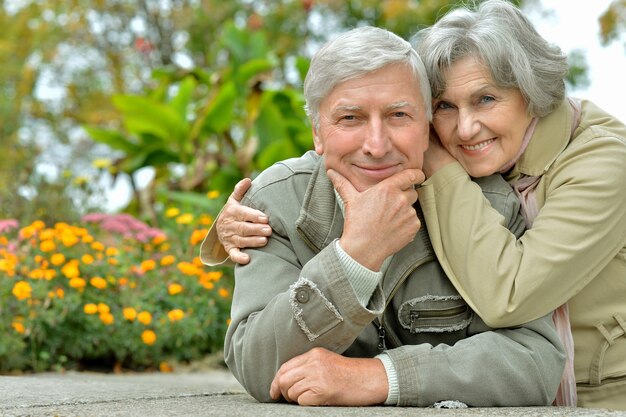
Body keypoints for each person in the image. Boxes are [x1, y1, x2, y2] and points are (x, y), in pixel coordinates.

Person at [203, 0, 626, 410]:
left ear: (533, 96)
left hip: (606, 397)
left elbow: (517, 313)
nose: (464, 127)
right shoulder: (283, 196)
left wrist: (378, 375)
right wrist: (261, 213)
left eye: (486, 99)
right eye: (445, 106)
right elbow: (358, 129)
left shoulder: (597, 166)